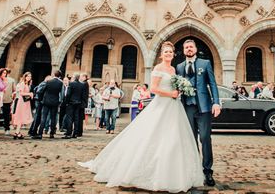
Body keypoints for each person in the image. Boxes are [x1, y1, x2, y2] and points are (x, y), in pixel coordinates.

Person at [79, 41, 204, 192]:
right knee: (151, 136)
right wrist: (171, 93)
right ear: (161, 55)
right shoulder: (158, 68)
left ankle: (172, 172)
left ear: (174, 54)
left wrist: (179, 90)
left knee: (173, 138)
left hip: (173, 106)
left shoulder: (173, 69)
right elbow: (153, 88)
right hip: (161, 104)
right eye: (166, 52)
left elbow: (175, 85)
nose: (168, 54)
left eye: (170, 52)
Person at [176, 38, 221, 187]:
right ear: (183, 51)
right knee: (190, 140)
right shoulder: (180, 67)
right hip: (187, 107)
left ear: (195, 49)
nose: (189, 49)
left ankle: (207, 171)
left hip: (204, 107)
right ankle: (193, 170)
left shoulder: (205, 63)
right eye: (186, 47)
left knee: (205, 138)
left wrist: (216, 102)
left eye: (191, 47)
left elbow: (213, 84)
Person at [37, 71, 63, 139]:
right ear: (59, 76)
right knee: (53, 118)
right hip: (55, 102)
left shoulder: (49, 81)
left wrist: (41, 98)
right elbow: (62, 94)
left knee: (44, 117)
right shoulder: (60, 83)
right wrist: (60, 101)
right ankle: (52, 134)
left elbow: (40, 90)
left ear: (54, 74)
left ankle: (40, 133)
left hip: (46, 101)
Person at [11, 72, 33, 139]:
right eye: (28, 76)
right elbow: (21, 93)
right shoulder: (23, 83)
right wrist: (29, 94)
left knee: (22, 116)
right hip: (22, 102)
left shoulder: (27, 84)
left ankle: (17, 132)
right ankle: (17, 133)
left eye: (30, 76)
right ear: (25, 76)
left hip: (25, 102)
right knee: (21, 116)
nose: (29, 77)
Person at [1, 69, 16, 136]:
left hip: (0, 99)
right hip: (7, 100)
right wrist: (12, 98)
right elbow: (14, 90)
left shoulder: (0, 79)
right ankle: (7, 129)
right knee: (6, 115)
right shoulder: (12, 80)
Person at [78, 73, 90, 137]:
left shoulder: (84, 83)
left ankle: (79, 131)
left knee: (80, 118)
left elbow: (83, 94)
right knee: (80, 118)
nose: (80, 78)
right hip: (83, 103)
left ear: (84, 77)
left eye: (81, 77)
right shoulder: (85, 83)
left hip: (81, 103)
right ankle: (79, 131)